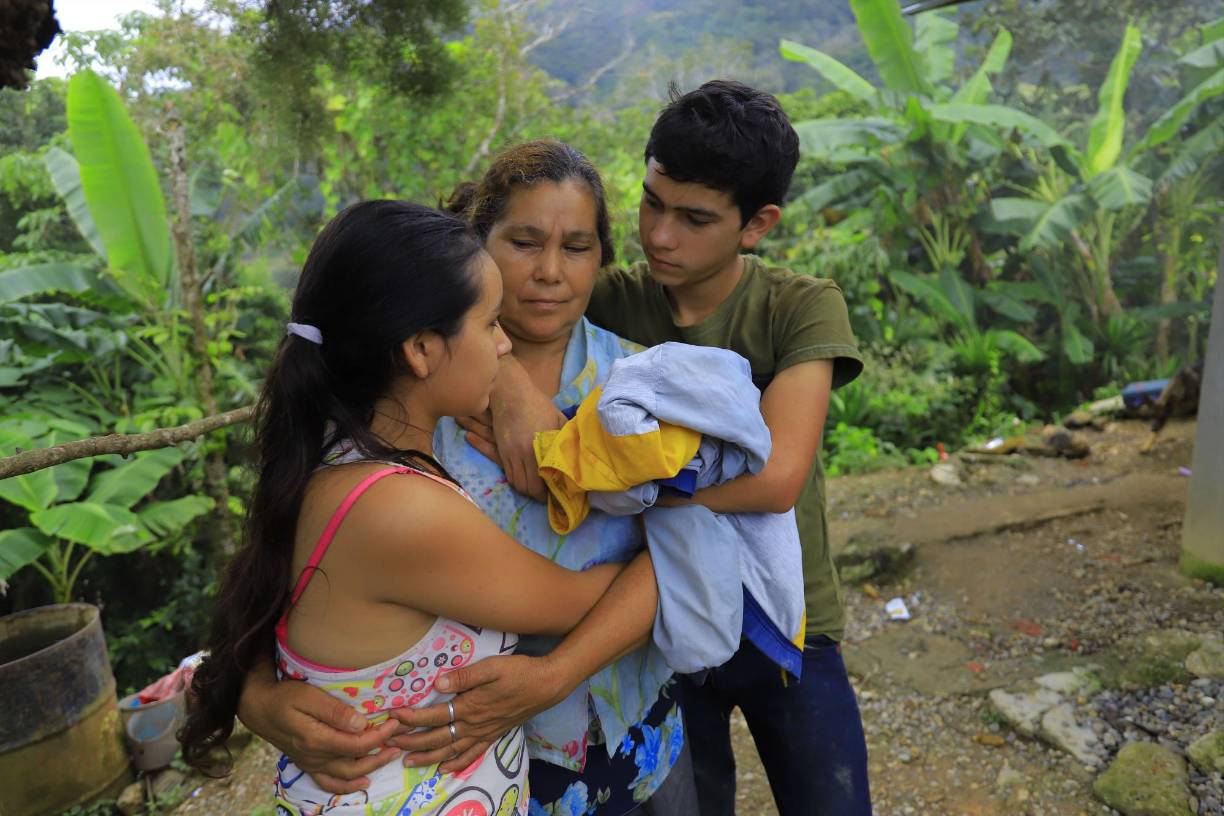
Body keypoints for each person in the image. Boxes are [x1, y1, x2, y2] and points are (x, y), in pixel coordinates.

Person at [234, 145, 699, 815]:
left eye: (576, 247)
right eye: (524, 241)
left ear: (603, 257)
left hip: (635, 724)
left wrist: (559, 668)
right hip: (495, 762)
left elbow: (708, 530)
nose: (548, 272)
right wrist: (256, 694)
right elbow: (278, 571)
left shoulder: (647, 385)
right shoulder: (409, 421)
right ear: (476, 240)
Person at [474, 81, 873, 814]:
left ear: (757, 224)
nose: (660, 236)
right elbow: (477, 267)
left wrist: (588, 477)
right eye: (653, 202)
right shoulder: (605, 291)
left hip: (782, 618)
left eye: (694, 219)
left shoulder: (797, 306)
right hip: (658, 621)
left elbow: (777, 478)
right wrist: (502, 373)